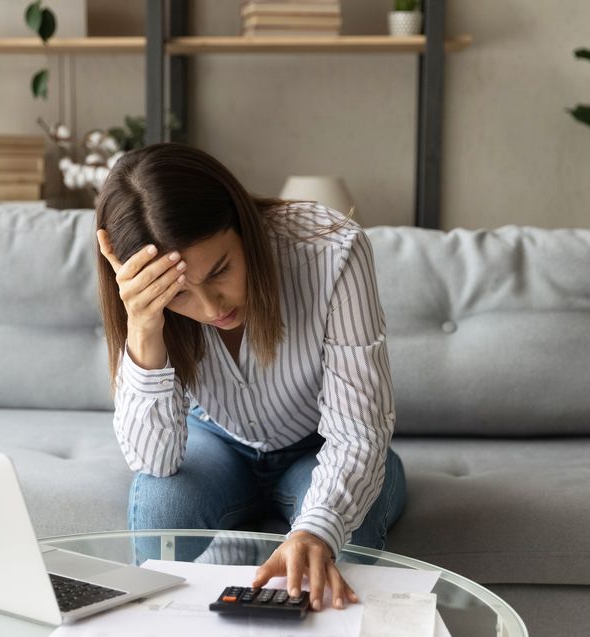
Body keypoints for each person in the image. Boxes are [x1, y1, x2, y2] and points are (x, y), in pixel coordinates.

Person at [94, 142, 406, 612]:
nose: (212, 307)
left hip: (319, 448)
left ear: (242, 223)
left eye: (221, 270)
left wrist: (315, 529)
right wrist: (144, 324)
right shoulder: (149, 308)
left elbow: (357, 434)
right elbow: (153, 460)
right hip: (216, 443)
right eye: (178, 296)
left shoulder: (333, 250)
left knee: (342, 533)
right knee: (161, 503)